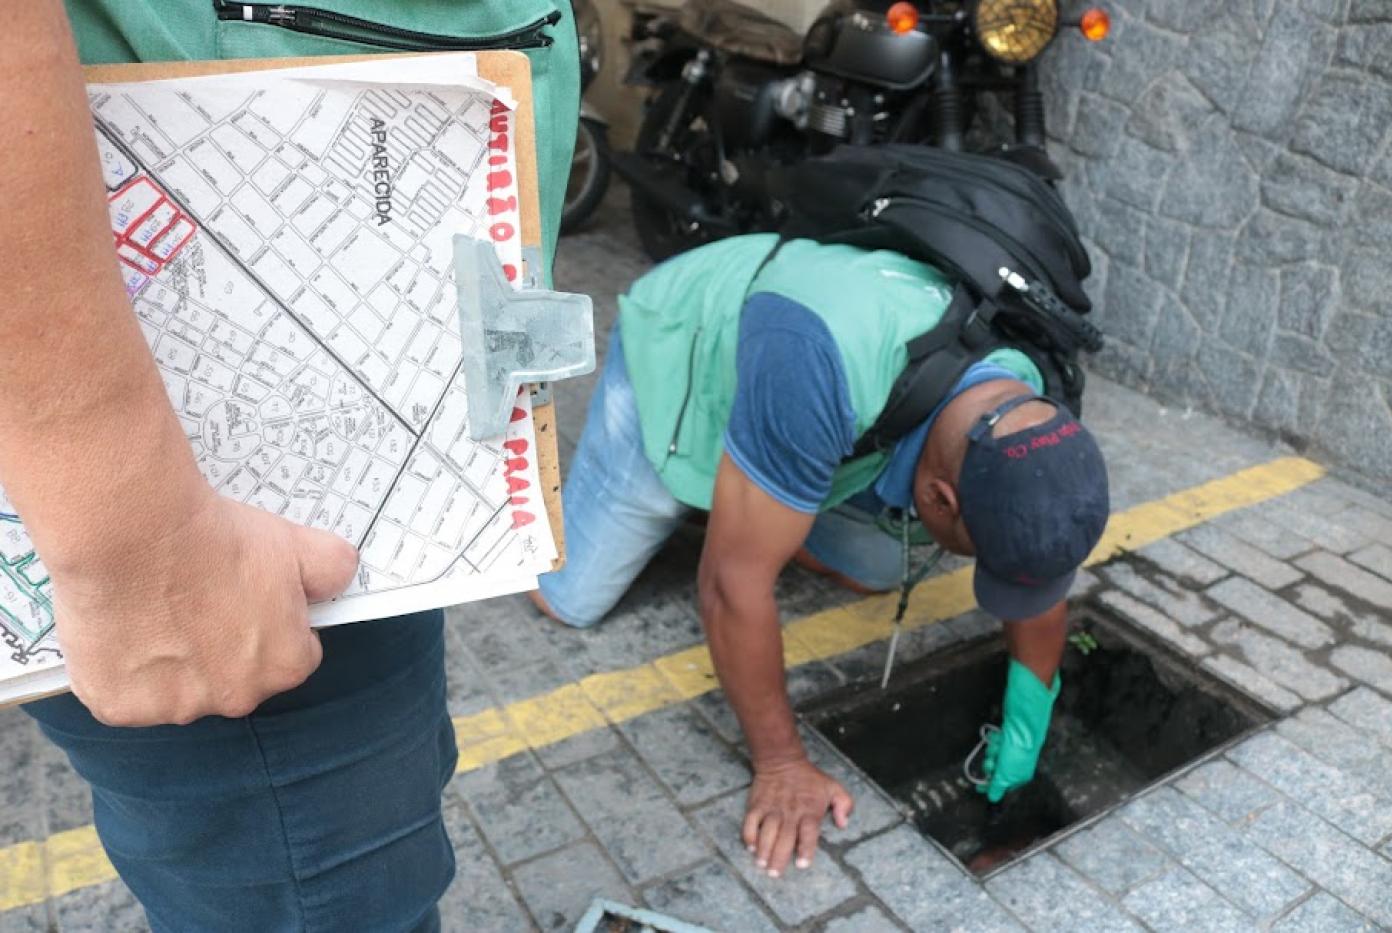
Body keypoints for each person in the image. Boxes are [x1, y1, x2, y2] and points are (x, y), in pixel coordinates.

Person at [3, 2, 577, 930]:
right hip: (205, 496)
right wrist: (128, 519)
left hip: (318, 448)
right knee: (324, 891)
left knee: (368, 831)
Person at [534, 233, 1110, 878]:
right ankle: (734, 492)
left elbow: (1039, 554)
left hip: (827, 391)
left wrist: (1028, 718)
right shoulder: (816, 358)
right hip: (691, 338)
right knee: (572, 599)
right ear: (940, 498)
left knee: (878, 570)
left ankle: (766, 492)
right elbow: (728, 587)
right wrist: (781, 764)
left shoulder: (1028, 396)